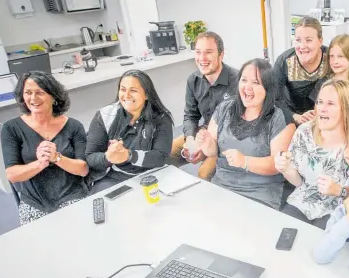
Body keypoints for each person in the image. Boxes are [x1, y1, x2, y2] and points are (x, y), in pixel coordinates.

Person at [274, 79, 349, 229]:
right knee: (280, 232)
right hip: (303, 201)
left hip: (342, 208)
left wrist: (340, 190)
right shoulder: (304, 131)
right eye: (320, 102)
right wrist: (285, 168)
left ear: (347, 109)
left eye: (330, 104)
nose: (322, 108)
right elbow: (298, 182)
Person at [195, 59, 294, 209]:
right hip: (222, 184)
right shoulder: (224, 108)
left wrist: (245, 161)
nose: (247, 87)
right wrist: (207, 143)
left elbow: (278, 164)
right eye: (244, 80)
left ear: (268, 88)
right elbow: (213, 151)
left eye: (256, 82)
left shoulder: (280, 116)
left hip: (260, 191)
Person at [1, 71, 88, 225]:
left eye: (40, 92)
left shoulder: (74, 126)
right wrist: (40, 164)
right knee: (40, 247)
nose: (33, 98)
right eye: (28, 92)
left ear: (53, 96)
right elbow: (12, 175)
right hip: (34, 203)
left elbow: (83, 169)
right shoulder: (11, 128)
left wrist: (57, 158)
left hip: (72, 196)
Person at [85, 70, 173, 193]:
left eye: (133, 90)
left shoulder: (161, 118)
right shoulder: (104, 115)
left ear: (146, 94)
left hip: (152, 173)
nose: (126, 95)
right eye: (123, 89)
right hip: (114, 176)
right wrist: (108, 157)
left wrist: (129, 155)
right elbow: (90, 156)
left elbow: (160, 157)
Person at [170, 32, 238, 181]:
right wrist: (190, 140)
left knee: (204, 173)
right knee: (167, 154)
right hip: (203, 132)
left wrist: (206, 147)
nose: (202, 58)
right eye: (198, 52)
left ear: (221, 55)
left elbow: (237, 127)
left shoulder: (237, 81)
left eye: (208, 52)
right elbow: (190, 116)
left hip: (228, 139)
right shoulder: (193, 80)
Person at [273, 16, 328, 126]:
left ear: (320, 41)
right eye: (298, 40)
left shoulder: (331, 58)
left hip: (324, 117)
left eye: (309, 40)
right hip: (292, 116)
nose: (302, 46)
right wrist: (294, 116)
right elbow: (275, 98)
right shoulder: (284, 61)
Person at [309, 34, 349, 103]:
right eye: (332, 56)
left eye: (340, 56)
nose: (335, 61)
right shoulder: (323, 82)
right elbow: (317, 108)